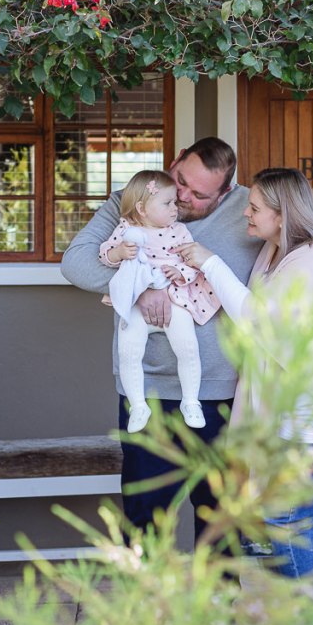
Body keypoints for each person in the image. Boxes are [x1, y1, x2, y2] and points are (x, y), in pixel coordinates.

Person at [177, 167, 313, 595]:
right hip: (294, 420)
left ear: (282, 212)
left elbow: (265, 326)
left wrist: (211, 263)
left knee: (283, 521)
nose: (246, 216)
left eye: (254, 208)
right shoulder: (277, 253)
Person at [60, 137, 261, 540]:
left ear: (226, 193)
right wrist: (139, 286)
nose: (182, 196)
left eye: (198, 194)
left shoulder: (250, 211)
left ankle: (218, 601)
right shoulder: (134, 199)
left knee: (221, 520)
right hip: (148, 390)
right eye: (179, 180)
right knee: (146, 518)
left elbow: (297, 252)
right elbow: (76, 263)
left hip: (222, 392)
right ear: (174, 161)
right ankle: (151, 602)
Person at [99, 169, 221, 434]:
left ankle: (191, 401)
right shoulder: (126, 229)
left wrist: (181, 273)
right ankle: (138, 405)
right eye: (167, 203)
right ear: (142, 208)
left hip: (174, 298)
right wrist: (119, 252)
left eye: (175, 202)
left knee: (187, 348)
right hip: (135, 303)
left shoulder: (179, 231)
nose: (175, 208)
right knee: (129, 353)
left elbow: (195, 263)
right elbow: (105, 256)